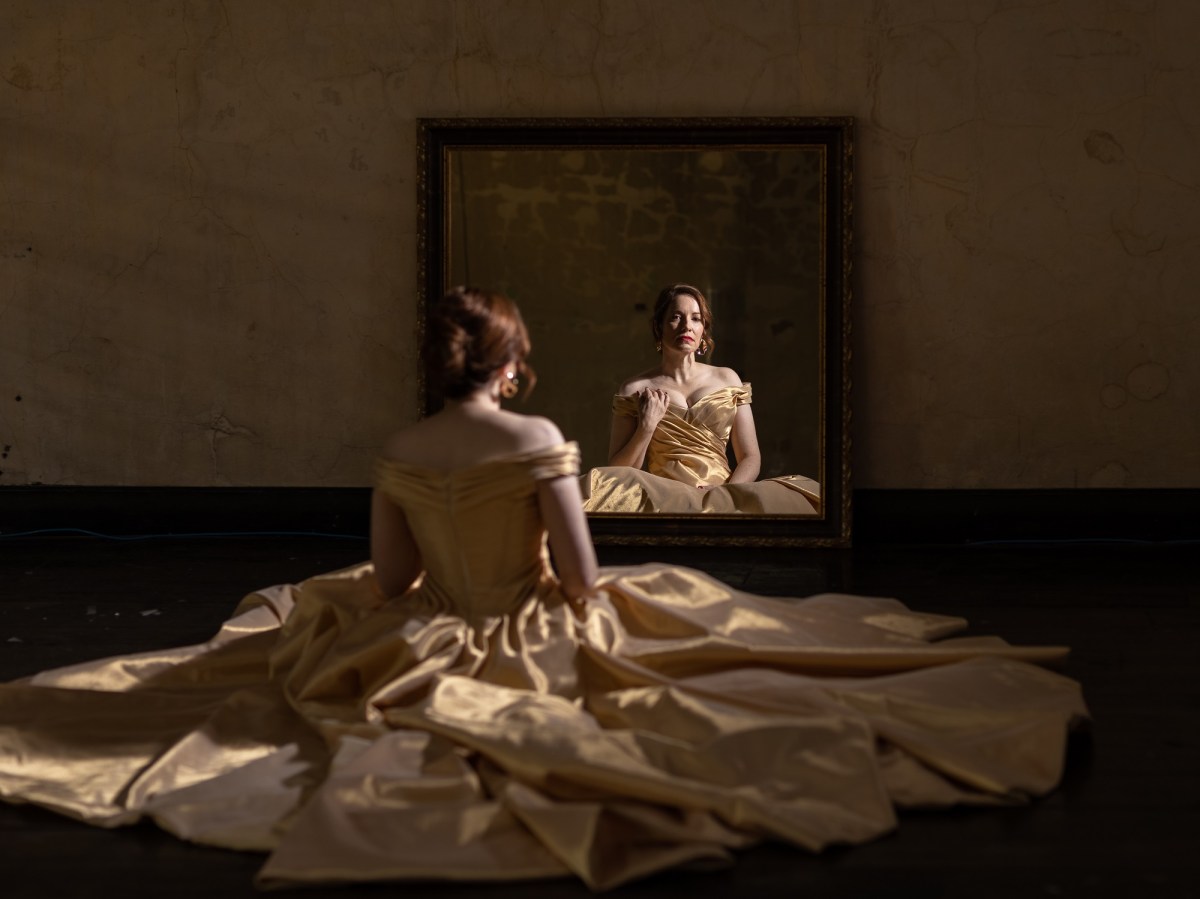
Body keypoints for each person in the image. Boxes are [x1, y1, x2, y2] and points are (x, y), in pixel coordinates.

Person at [0, 287, 1087, 890]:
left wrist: (433, 596)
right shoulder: (535, 438)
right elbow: (578, 571)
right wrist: (575, 604)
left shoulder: (402, 443)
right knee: (732, 665)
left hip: (435, 624)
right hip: (520, 625)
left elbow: (388, 578)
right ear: (512, 367)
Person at [581, 283, 822, 514]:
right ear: (659, 326)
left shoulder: (727, 378)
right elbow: (618, 473)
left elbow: (751, 457)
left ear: (703, 329)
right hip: (664, 495)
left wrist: (726, 493)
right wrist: (646, 427)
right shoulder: (635, 388)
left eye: (696, 318)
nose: (687, 326)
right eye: (676, 317)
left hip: (725, 490)